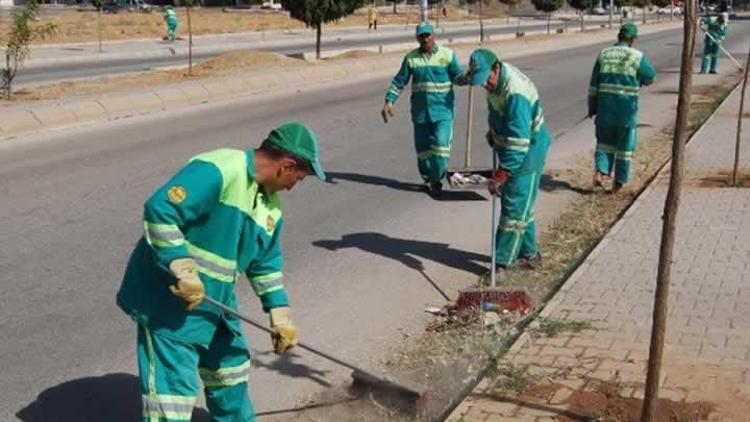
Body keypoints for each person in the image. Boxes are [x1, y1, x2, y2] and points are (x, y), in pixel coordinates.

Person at [117, 122, 326, 422]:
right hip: (171, 298)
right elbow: (160, 210)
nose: (295, 185)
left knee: (231, 370)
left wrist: (280, 315)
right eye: (299, 177)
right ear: (287, 166)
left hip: (216, 300)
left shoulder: (271, 208)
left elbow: (265, 264)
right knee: (172, 396)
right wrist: (182, 268)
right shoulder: (221, 168)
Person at [465, 48, 551, 279]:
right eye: (481, 81)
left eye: (487, 79)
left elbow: (519, 142)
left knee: (513, 210)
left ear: (496, 67)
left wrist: (501, 175)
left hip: (528, 151)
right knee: (522, 206)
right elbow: (496, 109)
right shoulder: (495, 81)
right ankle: (530, 255)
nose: (485, 85)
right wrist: (493, 132)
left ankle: (501, 264)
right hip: (512, 146)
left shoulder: (516, 94)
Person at [381, 21, 466, 195]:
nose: (425, 38)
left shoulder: (447, 55)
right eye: (422, 36)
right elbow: (399, 81)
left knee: (441, 147)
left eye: (428, 35)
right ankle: (430, 179)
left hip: (443, 112)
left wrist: (469, 76)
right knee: (423, 152)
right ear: (417, 38)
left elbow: (458, 77)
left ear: (433, 35)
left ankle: (437, 177)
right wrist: (389, 101)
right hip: (420, 113)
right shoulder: (411, 58)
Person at [588, 22, 655, 192]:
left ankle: (601, 172)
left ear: (619, 36)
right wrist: (640, 80)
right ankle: (618, 183)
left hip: (605, 111)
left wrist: (592, 107)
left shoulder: (604, 54)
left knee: (604, 144)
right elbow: (650, 76)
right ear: (632, 39)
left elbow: (594, 85)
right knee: (624, 149)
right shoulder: (636, 56)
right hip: (626, 112)